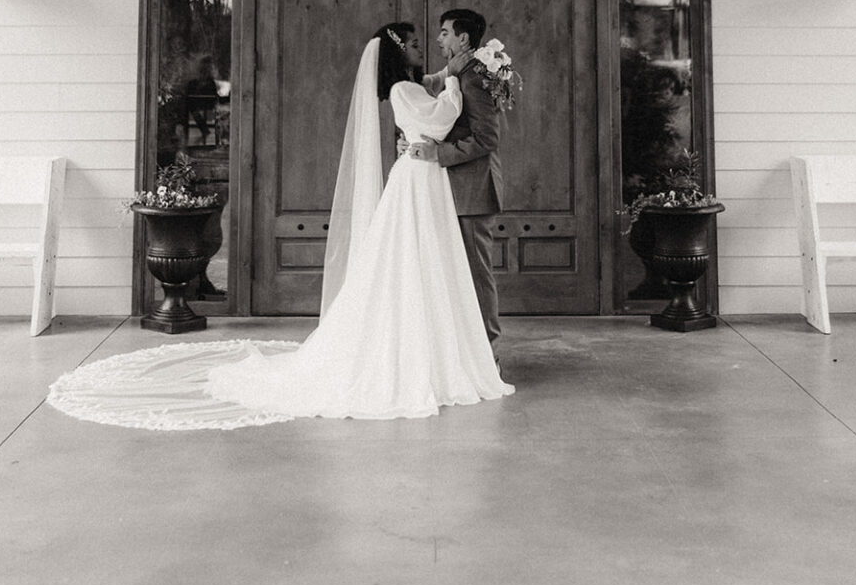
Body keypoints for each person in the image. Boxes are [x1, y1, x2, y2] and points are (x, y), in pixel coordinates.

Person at [47, 22, 513, 430]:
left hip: (423, 180)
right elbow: (444, 116)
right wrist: (453, 83)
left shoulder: (416, 86)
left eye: (433, 38)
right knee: (412, 264)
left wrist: (451, 78)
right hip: (418, 180)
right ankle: (427, 353)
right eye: (413, 42)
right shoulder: (406, 91)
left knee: (423, 265)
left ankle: (433, 349)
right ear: (396, 51)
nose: (425, 46)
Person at [406, 8, 504, 365]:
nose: (438, 39)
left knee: (477, 277)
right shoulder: (461, 70)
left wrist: (437, 152)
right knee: (459, 275)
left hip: (474, 191)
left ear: (464, 38)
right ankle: (465, 355)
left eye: (445, 33)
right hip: (457, 190)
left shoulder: (475, 77)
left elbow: (487, 138)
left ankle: (488, 357)